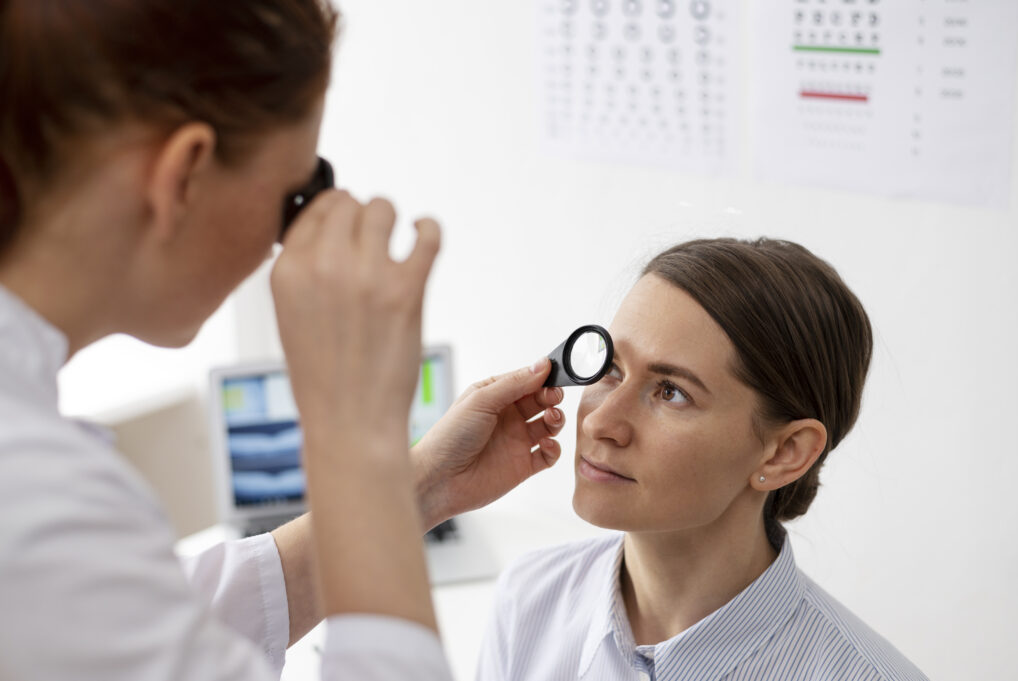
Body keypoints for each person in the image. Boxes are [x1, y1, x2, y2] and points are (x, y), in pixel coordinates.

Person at [0, 1, 565, 680]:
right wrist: (356, 434)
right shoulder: (37, 499)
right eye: (294, 193)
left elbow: (121, 624)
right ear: (186, 173)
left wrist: (419, 488)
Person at [477, 238, 930, 681]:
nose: (601, 423)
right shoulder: (529, 601)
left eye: (671, 392)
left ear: (785, 453)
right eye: (610, 369)